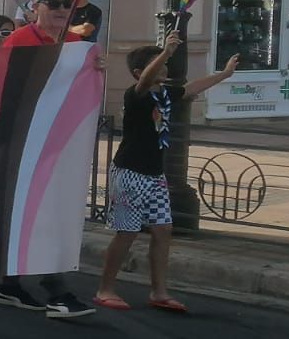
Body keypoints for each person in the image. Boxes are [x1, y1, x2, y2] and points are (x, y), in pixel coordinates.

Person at [96, 34, 238, 312]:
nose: (165, 68)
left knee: (163, 230)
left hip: (154, 174)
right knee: (127, 233)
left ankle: (159, 292)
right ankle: (105, 288)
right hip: (129, 173)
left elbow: (191, 87)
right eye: (159, 64)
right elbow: (147, 79)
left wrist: (225, 73)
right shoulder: (135, 94)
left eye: (165, 64)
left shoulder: (165, 93)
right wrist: (166, 52)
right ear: (140, 72)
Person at [0, 0, 96, 316]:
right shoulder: (20, 41)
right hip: (24, 139)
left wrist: (98, 69)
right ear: (37, 7)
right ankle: (54, 288)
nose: (63, 10)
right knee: (34, 211)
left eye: (68, 4)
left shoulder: (79, 42)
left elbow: (84, 85)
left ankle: (10, 285)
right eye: (55, 4)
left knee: (49, 210)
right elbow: (1, 87)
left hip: (61, 141)